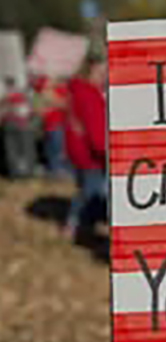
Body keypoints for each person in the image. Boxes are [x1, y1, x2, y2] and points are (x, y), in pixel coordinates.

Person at [63, 53, 107, 240]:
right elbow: (95, 128)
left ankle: (76, 226)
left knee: (86, 191)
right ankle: (76, 227)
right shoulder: (89, 93)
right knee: (91, 194)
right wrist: (105, 150)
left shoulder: (78, 90)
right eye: (103, 69)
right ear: (93, 69)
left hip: (80, 151)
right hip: (91, 155)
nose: (106, 73)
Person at [0, 75, 37, 178]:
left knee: (11, 150)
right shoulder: (22, 95)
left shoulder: (5, 97)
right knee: (26, 149)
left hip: (8, 124)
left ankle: (15, 172)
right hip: (22, 124)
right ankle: (27, 172)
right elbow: (28, 111)